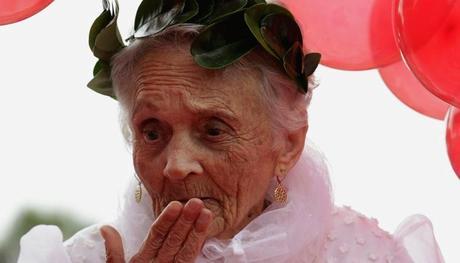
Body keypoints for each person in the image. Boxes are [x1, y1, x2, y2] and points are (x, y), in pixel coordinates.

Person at [18, 0, 445, 262]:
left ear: (288, 145)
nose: (176, 166)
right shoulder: (87, 258)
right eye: (152, 132)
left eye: (214, 129)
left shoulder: (367, 255)